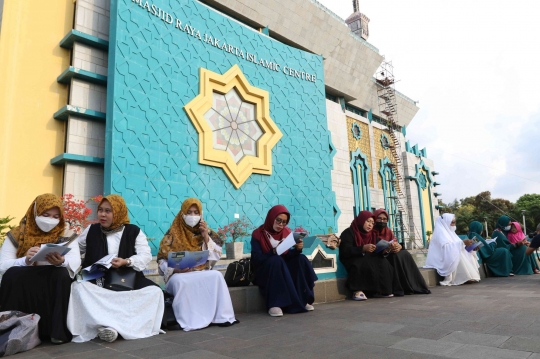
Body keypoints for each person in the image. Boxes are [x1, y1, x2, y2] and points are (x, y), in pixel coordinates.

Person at [66, 194, 164, 343]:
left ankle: (110, 327)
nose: (102, 214)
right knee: (77, 287)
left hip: (126, 278)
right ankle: (107, 326)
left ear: (118, 212)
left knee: (154, 292)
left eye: (108, 211)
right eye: (100, 210)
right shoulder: (91, 230)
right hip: (96, 277)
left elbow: (145, 256)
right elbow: (75, 249)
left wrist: (127, 261)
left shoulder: (133, 231)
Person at [0, 194, 81, 344]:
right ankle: (12, 329)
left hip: (52, 276)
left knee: (61, 274)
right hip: (25, 276)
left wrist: (61, 261)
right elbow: (3, 265)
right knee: (12, 274)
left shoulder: (66, 233)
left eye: (56, 216)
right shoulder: (17, 234)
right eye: (46, 215)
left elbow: (76, 260)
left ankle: (55, 332)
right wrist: (25, 260)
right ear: (35, 212)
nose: (51, 220)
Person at [157, 198, 237, 331]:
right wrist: (174, 270)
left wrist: (206, 236)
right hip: (178, 274)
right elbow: (161, 261)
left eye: (196, 212)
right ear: (182, 214)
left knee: (216, 275)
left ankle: (221, 317)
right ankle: (189, 320)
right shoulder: (172, 234)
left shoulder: (206, 231)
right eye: (189, 212)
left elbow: (216, 256)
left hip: (200, 271)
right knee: (181, 281)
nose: (193, 216)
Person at [251, 205, 317, 316]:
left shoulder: (286, 232)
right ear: (271, 218)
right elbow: (256, 259)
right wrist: (273, 252)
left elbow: (287, 256)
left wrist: (297, 250)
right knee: (276, 260)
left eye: (284, 222)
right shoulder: (258, 234)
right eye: (278, 220)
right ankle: (275, 303)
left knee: (301, 259)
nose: (281, 225)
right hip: (265, 271)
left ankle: (302, 299)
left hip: (282, 267)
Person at [339, 211, 399, 300]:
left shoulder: (372, 234)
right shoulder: (349, 232)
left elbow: (378, 246)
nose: (370, 225)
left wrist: (386, 249)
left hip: (367, 257)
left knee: (382, 261)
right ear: (361, 220)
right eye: (368, 221)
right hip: (352, 259)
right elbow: (345, 250)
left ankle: (381, 291)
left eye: (372, 223)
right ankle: (357, 291)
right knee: (362, 261)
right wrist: (362, 248)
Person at [372, 209, 430, 295]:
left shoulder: (388, 231)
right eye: (379, 218)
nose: (382, 221)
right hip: (378, 256)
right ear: (375, 219)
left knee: (404, 253)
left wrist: (398, 246)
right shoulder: (371, 231)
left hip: (389, 253)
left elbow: (394, 241)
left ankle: (414, 285)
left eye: (384, 219)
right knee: (395, 256)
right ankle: (400, 288)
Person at [424, 213, 480, 286]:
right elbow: (446, 248)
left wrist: (471, 247)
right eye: (452, 222)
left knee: (466, 252)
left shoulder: (451, 233)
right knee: (457, 253)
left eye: (454, 222)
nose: (454, 225)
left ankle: (468, 276)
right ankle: (465, 277)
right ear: (446, 222)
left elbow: (459, 246)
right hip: (441, 259)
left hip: (450, 255)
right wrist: (462, 243)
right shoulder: (440, 233)